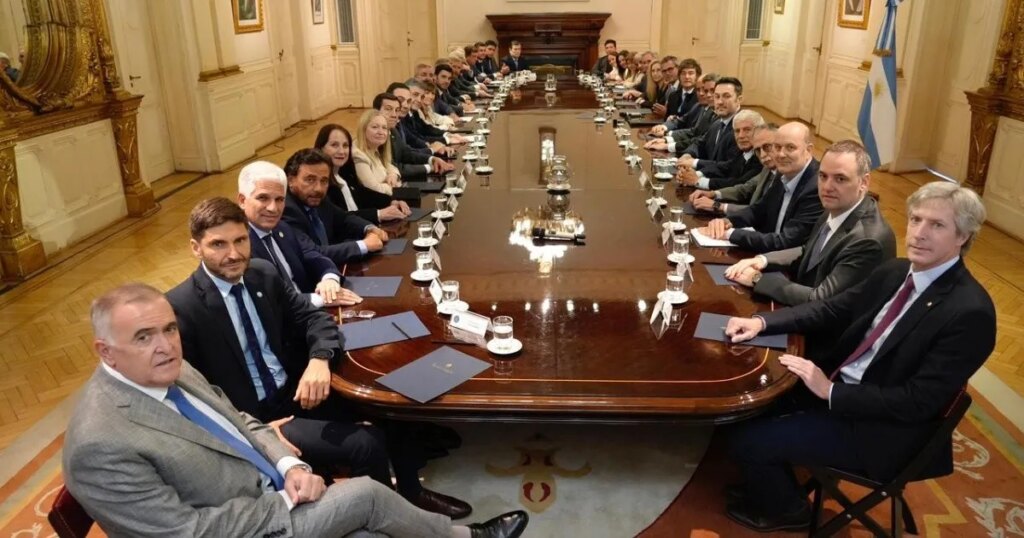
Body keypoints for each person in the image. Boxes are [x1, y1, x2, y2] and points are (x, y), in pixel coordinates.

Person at [64, 282, 530, 537]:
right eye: (143, 337)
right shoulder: (100, 444)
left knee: (373, 528)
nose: (166, 346)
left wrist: (290, 465)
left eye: (169, 329)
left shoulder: (173, 369)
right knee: (367, 497)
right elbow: (185, 533)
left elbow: (241, 423)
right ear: (105, 352)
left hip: (269, 488)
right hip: (241, 524)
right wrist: (285, 500)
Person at [168, 198, 479, 520]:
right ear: (196, 248)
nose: (234, 254)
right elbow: (191, 395)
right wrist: (253, 432)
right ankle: (391, 520)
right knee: (365, 443)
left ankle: (412, 493)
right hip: (258, 418)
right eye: (218, 244)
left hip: (295, 390)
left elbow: (313, 318)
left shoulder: (262, 273)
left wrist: (318, 359)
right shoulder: (180, 308)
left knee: (388, 399)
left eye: (240, 240)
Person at [722, 181, 995, 532]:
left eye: (937, 225)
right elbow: (832, 308)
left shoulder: (970, 312)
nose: (919, 233)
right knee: (740, 408)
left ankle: (788, 510)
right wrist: (762, 322)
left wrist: (831, 392)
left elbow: (918, 402)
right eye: (916, 219)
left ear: (963, 236)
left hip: (882, 429)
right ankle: (771, 479)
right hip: (845, 387)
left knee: (747, 441)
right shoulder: (897, 271)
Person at [723, 139, 896, 309]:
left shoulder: (867, 240)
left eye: (840, 179)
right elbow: (808, 251)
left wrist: (757, 279)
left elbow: (821, 299)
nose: (827, 187)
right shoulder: (836, 206)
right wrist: (763, 260)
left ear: (864, 182)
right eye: (823, 176)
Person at [236, 160, 363, 308]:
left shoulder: (282, 228)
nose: (273, 208)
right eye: (263, 198)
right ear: (242, 200)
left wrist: (329, 279)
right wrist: (320, 299)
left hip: (311, 313)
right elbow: (268, 301)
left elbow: (312, 256)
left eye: (279, 199)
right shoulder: (237, 244)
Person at [697, 121, 823, 253]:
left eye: (790, 147)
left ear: (808, 150)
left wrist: (730, 234)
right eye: (777, 147)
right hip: (767, 252)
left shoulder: (816, 186)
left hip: (786, 261)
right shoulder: (785, 171)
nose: (781, 154)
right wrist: (727, 222)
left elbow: (786, 241)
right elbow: (758, 210)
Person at [281, 148, 388, 266]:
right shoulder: (286, 210)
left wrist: (369, 228)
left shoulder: (319, 199)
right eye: (310, 180)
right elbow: (313, 253)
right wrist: (364, 245)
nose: (318, 188)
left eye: (324, 181)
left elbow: (344, 218)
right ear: (290, 181)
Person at [313, 123, 411, 222]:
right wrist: (378, 214)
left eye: (345, 146)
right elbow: (338, 217)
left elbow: (362, 194)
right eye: (334, 145)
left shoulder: (344, 173)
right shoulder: (320, 183)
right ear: (321, 148)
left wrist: (391, 202)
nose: (341, 151)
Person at [689, 123, 778, 216]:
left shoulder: (784, 177)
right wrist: (713, 194)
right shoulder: (767, 169)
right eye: (758, 150)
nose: (763, 155)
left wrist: (718, 206)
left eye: (767, 147)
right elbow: (744, 189)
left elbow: (763, 212)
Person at [674, 76, 745, 177]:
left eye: (726, 96)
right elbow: (700, 144)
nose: (720, 102)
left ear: (739, 100)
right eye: (717, 96)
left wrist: (694, 163)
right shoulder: (717, 123)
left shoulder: (743, 128)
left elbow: (729, 167)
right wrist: (688, 155)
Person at [678, 109, 765, 190]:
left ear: (760, 131)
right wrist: (692, 174)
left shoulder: (762, 157)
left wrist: (697, 181)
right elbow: (724, 168)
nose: (741, 136)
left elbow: (739, 184)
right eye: (737, 131)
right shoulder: (742, 151)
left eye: (747, 130)